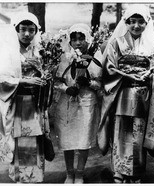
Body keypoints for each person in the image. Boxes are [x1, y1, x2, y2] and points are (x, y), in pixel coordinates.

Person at [98, 4, 154, 183]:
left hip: (143, 95)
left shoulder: (151, 45)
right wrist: (126, 74)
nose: (136, 26)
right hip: (122, 93)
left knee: (138, 132)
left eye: (140, 22)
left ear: (146, 22)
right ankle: (119, 170)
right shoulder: (116, 43)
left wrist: (151, 76)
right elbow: (108, 68)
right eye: (132, 21)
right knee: (121, 130)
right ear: (125, 22)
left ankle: (136, 171)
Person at [0, 12, 49, 183]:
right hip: (17, 104)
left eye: (31, 30)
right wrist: (24, 80)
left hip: (35, 104)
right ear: (16, 30)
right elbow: (0, 78)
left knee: (35, 141)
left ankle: (34, 178)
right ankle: (22, 179)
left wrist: (45, 79)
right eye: (23, 30)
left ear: (36, 31)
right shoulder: (9, 52)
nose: (27, 34)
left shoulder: (39, 51)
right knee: (19, 142)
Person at [53, 23, 103, 184]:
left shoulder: (95, 59)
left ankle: (80, 173)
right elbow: (56, 82)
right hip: (66, 103)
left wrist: (89, 82)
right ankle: (69, 173)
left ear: (88, 39)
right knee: (67, 139)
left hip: (86, 102)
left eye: (81, 38)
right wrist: (66, 89)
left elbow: (100, 84)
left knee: (83, 139)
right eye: (74, 39)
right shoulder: (64, 57)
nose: (78, 42)